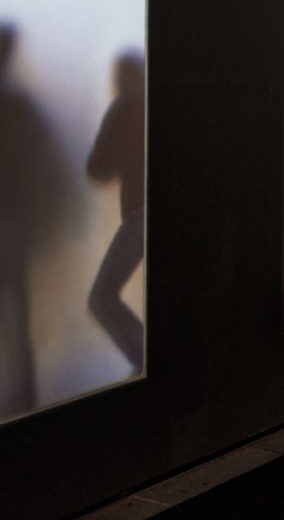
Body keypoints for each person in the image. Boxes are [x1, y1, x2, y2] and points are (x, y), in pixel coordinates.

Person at [0, 25, 65, 417]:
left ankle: (21, 393)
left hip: (11, 220)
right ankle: (23, 394)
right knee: (16, 309)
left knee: (15, 309)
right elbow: (43, 166)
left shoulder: (19, 107)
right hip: (15, 221)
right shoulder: (22, 107)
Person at [87, 51, 146, 375]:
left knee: (101, 298)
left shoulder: (124, 108)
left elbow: (97, 167)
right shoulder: (157, 105)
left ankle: (146, 359)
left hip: (141, 215)